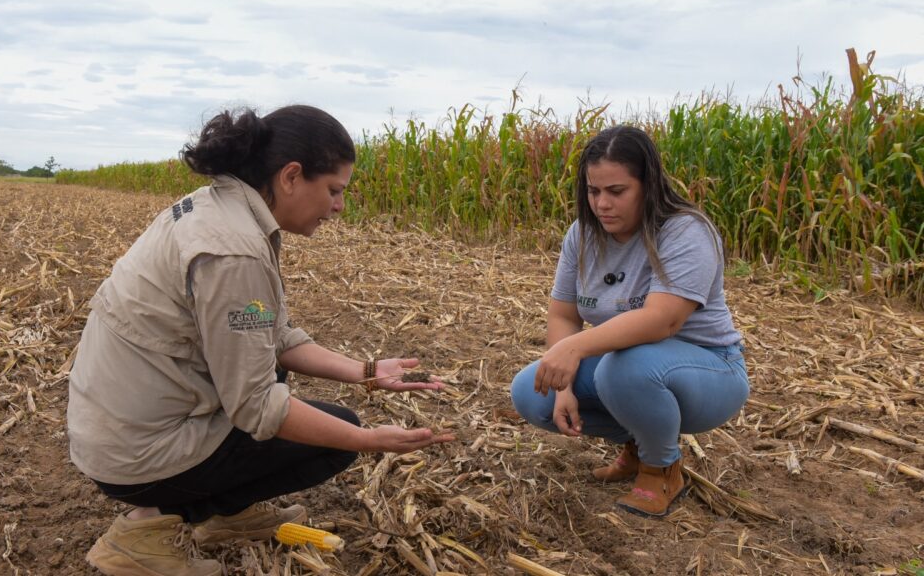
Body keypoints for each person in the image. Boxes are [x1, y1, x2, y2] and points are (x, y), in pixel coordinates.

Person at [67, 105, 454, 576]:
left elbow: (273, 336)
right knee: (335, 440)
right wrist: (368, 440)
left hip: (119, 428)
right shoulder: (234, 250)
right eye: (334, 190)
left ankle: (227, 514)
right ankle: (141, 535)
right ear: (291, 176)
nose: (339, 207)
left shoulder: (220, 208)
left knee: (275, 372)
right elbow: (255, 406)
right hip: (136, 454)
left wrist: (365, 371)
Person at [510, 125, 749, 518]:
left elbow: (662, 321)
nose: (602, 204)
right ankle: (640, 444)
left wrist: (574, 349)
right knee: (532, 393)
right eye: (593, 191)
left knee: (622, 368)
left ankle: (662, 469)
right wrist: (564, 384)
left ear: (647, 185)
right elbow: (563, 314)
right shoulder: (582, 235)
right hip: (631, 369)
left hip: (710, 371)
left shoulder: (686, 230)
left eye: (617, 191)